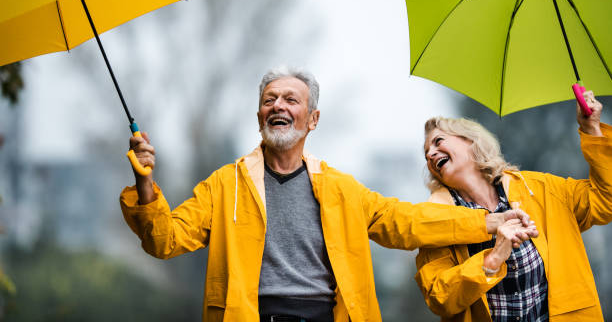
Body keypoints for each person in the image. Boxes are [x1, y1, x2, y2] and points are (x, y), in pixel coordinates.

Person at [120, 67, 534, 322]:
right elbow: (164, 240)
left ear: (312, 118)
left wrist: (488, 220)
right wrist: (144, 182)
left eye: (290, 99)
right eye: (269, 100)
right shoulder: (224, 184)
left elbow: (406, 222)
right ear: (259, 115)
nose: (277, 105)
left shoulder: (340, 189)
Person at [416, 91, 611, 321]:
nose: (430, 153)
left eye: (438, 141)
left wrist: (592, 130)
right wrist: (493, 259)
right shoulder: (435, 222)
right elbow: (440, 298)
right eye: (427, 151)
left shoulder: (539, 189)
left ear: (470, 141)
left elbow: (604, 200)